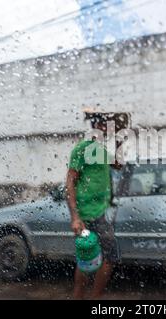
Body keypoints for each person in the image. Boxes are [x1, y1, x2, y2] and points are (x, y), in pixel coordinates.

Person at [66, 114, 121, 299]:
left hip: (101, 212)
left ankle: (87, 296)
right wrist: (75, 217)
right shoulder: (82, 149)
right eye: (108, 126)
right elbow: (70, 182)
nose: (110, 130)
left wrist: (120, 141)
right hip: (87, 214)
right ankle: (89, 296)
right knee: (94, 257)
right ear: (97, 126)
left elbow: (119, 164)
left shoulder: (102, 150)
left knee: (92, 257)